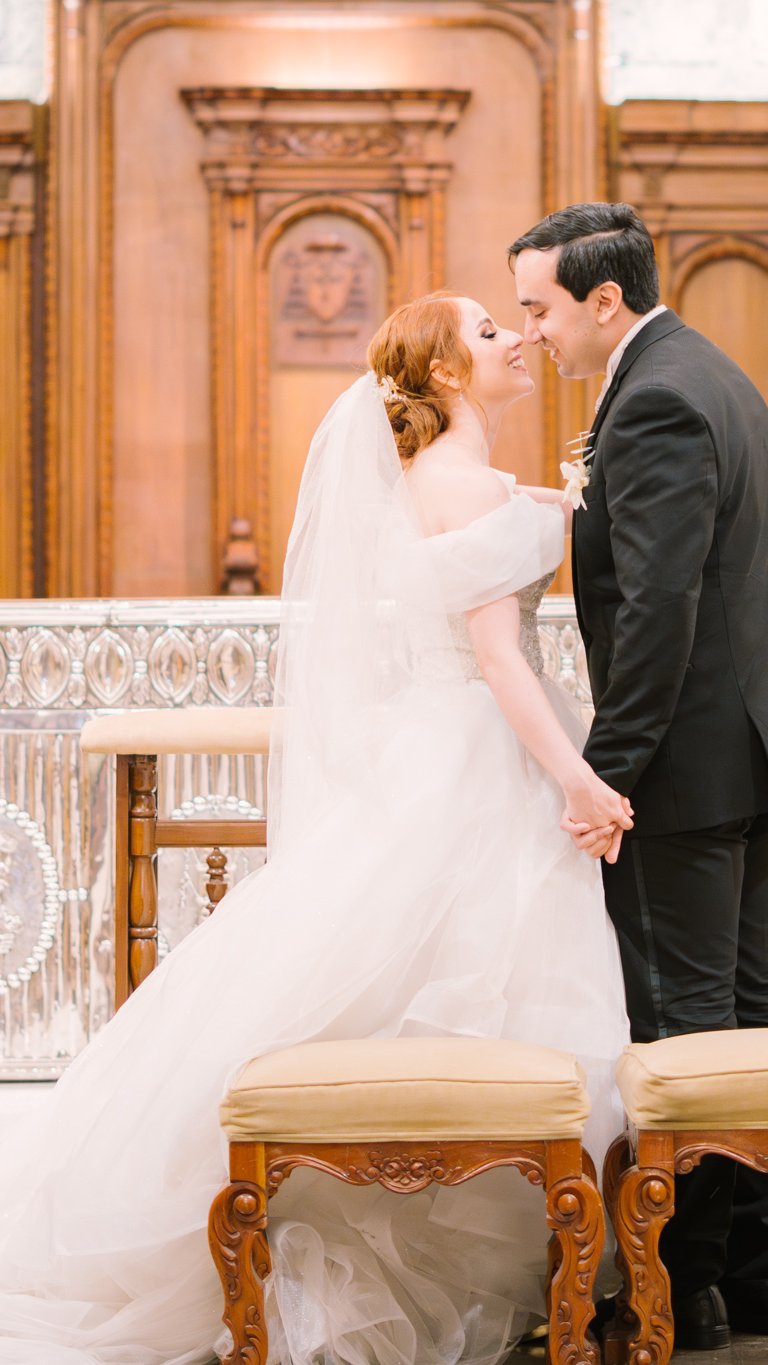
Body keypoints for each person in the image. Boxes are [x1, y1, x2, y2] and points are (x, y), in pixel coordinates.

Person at [0, 292, 630, 1365]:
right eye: (488, 332)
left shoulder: (429, 483)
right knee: (487, 980)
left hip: (434, 744)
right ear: (444, 373)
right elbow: (498, 660)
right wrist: (578, 781)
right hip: (484, 750)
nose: (517, 339)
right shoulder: (470, 485)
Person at [509, 202, 768, 1351]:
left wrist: (602, 780)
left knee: (686, 1036)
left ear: (603, 300)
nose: (533, 331)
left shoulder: (655, 399)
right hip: (743, 755)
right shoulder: (713, 372)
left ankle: (682, 1292)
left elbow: (661, 610)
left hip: (680, 775)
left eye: (540, 308)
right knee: (748, 1021)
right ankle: (745, 1277)